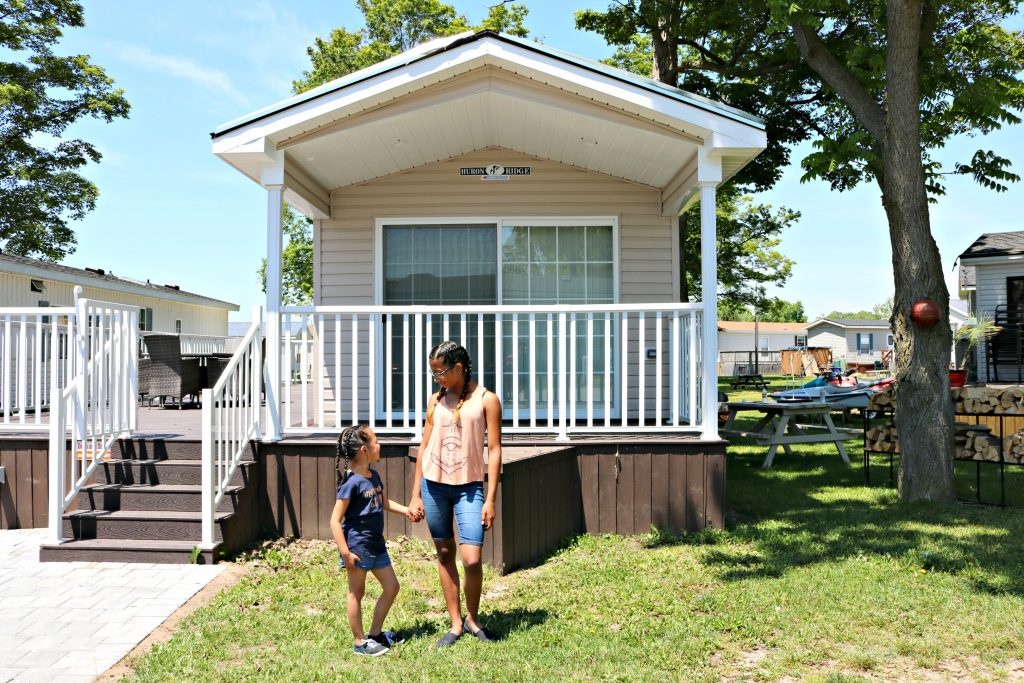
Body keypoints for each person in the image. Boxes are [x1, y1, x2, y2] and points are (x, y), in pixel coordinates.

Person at [407, 341, 503, 648]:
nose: (436, 378)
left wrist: (490, 499)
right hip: (433, 486)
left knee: (472, 559)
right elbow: (424, 446)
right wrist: (415, 495)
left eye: (440, 372)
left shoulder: (487, 400)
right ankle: (456, 623)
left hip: (470, 487)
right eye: (433, 372)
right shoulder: (435, 400)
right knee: (445, 553)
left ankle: (474, 619)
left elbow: (497, 450)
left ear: (458, 368)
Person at [331, 424, 412, 657]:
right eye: (376, 441)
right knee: (356, 593)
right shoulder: (351, 482)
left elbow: (382, 501)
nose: (379, 445)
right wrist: (345, 553)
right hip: (357, 547)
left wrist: (406, 511)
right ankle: (359, 642)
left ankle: (375, 634)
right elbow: (335, 521)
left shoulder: (373, 475)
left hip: (376, 544)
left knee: (392, 587)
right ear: (365, 450)